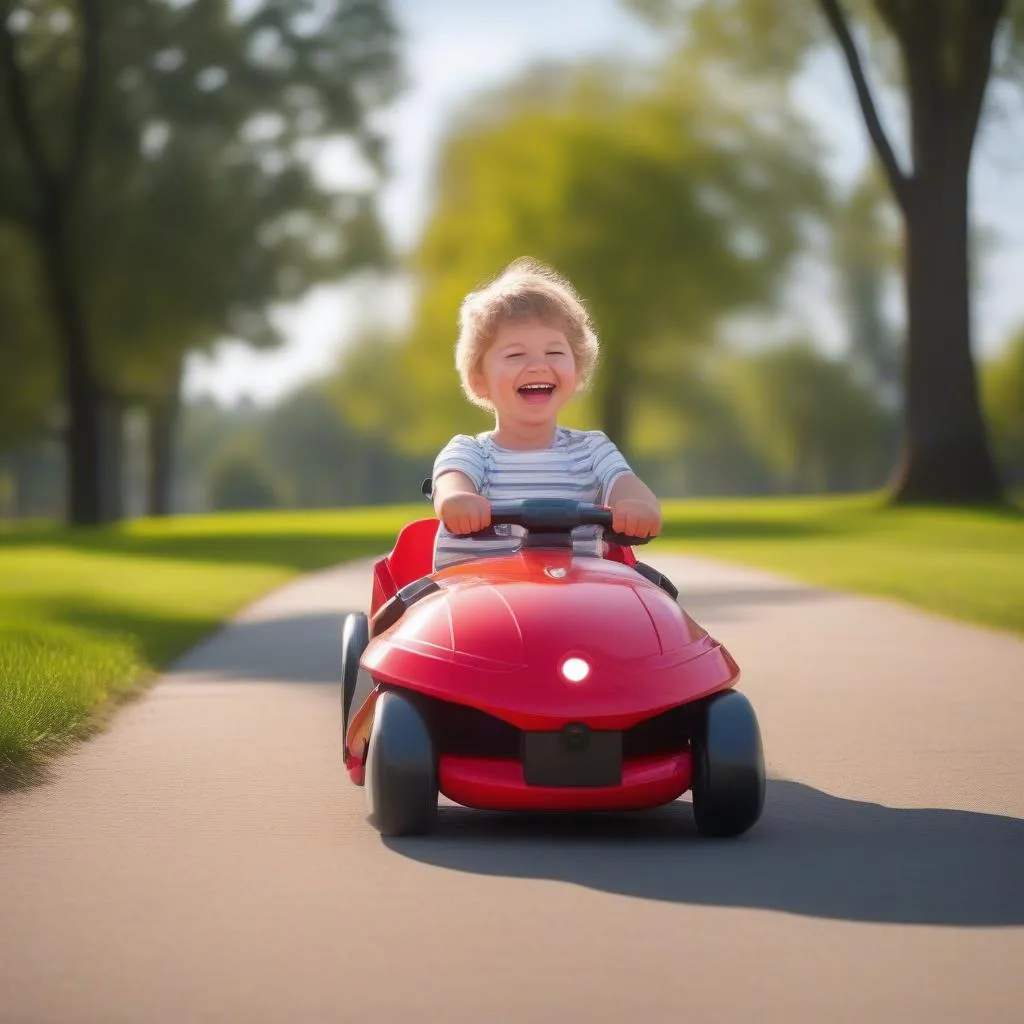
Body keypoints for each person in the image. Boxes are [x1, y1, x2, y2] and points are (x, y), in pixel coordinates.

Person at [430, 257, 662, 571]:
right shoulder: (470, 453)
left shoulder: (593, 451)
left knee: (660, 606)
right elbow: (450, 487)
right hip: (478, 596)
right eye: (515, 354)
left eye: (554, 352)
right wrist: (457, 501)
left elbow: (632, 491)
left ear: (577, 370)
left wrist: (638, 508)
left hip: (574, 598)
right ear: (479, 381)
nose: (539, 365)